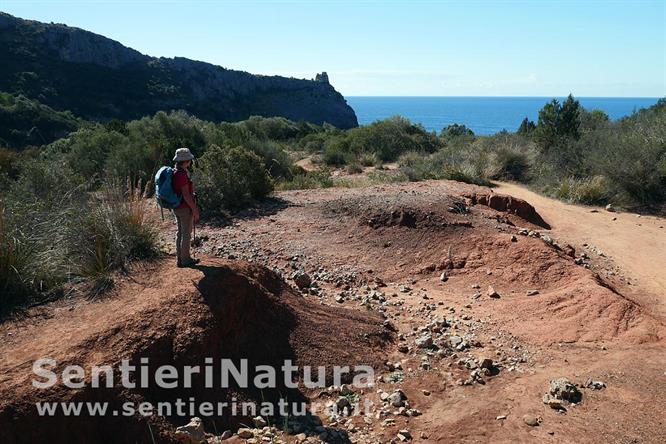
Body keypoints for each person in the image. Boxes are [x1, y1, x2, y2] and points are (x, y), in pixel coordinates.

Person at [172, 148, 200, 267]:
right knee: (186, 234)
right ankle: (186, 260)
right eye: (189, 160)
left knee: (180, 233)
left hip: (176, 207)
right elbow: (186, 195)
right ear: (186, 161)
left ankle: (180, 259)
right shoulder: (182, 174)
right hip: (184, 207)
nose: (190, 162)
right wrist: (194, 209)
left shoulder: (175, 171)